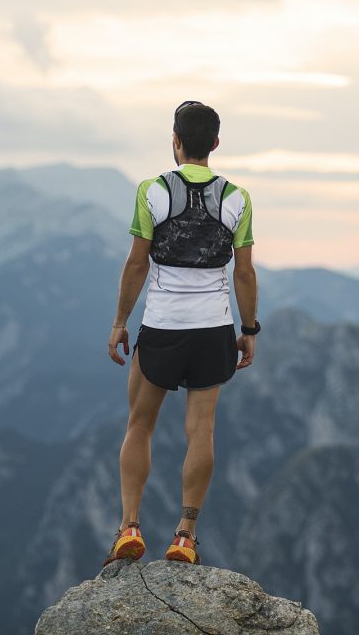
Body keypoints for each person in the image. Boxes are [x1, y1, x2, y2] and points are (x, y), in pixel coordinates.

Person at [102, 100, 260, 567]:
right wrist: (248, 329)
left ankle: (130, 526)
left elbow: (137, 262)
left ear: (175, 140)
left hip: (163, 328)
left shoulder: (152, 191)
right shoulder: (237, 198)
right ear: (214, 144)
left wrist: (119, 322)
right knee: (201, 431)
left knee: (140, 425)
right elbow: (245, 274)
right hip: (214, 330)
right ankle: (185, 535)